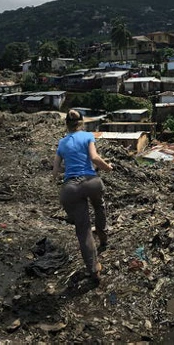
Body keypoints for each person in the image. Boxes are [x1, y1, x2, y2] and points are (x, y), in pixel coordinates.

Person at [54, 110, 113, 282]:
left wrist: (69, 171)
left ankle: (94, 270)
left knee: (83, 229)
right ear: (82, 123)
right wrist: (107, 167)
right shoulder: (88, 136)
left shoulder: (62, 143)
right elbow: (94, 157)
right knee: (98, 205)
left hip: (70, 189)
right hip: (92, 181)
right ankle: (103, 237)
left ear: (66, 124)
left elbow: (55, 171)